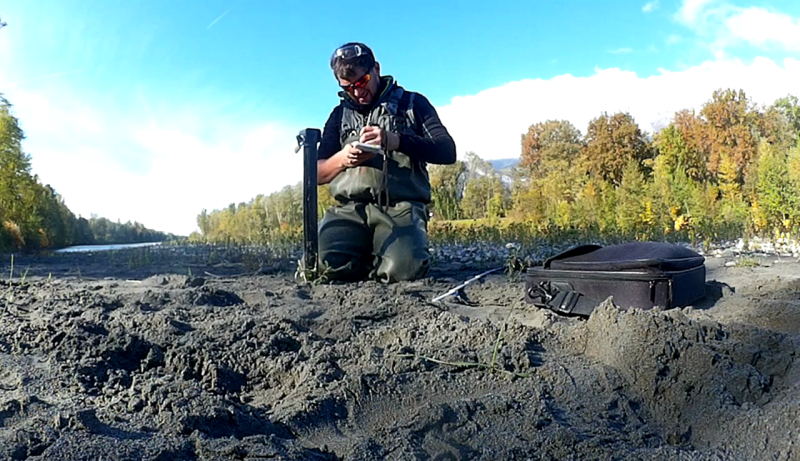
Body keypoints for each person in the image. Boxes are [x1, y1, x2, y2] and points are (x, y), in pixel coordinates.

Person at [316, 42, 457, 283]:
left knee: (404, 270)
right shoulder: (338, 115)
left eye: (362, 82)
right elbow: (317, 174)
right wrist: (343, 159)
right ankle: (372, 257)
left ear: (377, 69)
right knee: (326, 267)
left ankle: (384, 258)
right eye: (347, 88)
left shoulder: (413, 104)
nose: (357, 92)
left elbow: (447, 151)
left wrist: (396, 141)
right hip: (349, 211)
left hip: (401, 208)